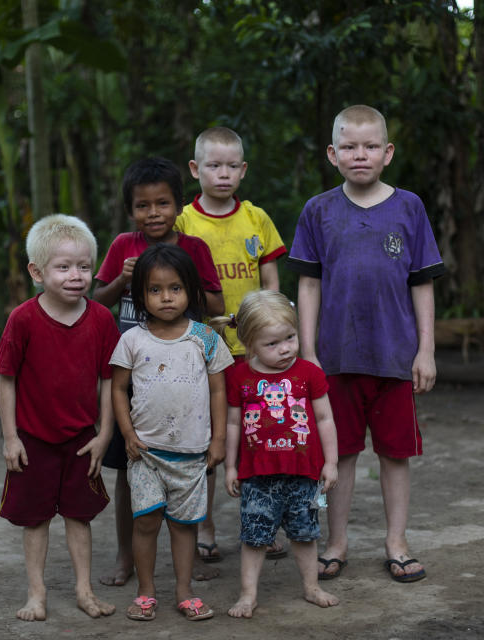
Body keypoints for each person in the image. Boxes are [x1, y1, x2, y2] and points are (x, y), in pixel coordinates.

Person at [286, 105, 446, 583]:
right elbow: (309, 286)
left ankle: (396, 542)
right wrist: (308, 352)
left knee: (395, 452)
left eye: (370, 146)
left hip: (396, 357)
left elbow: (422, 283)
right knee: (340, 453)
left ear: (387, 153)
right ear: (333, 154)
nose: (361, 155)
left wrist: (426, 349)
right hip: (335, 357)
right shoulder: (318, 210)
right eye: (350, 147)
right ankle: (336, 543)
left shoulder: (410, 207)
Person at [93, 157, 224, 587]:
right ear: (130, 209)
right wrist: (124, 282)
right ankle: (124, 554)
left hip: (185, 381)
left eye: (163, 204)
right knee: (130, 472)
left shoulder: (195, 249)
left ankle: (193, 557)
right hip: (132, 380)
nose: (154, 214)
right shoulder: (121, 247)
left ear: (178, 205)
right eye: (143, 205)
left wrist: (182, 283)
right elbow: (99, 301)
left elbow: (217, 306)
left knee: (192, 469)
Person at [0, 214, 119, 622]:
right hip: (33, 439)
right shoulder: (23, 319)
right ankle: (37, 594)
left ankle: (84, 591)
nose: (75, 276)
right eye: (63, 267)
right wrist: (11, 437)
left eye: (84, 266)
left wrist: (104, 435)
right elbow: (6, 380)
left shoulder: (101, 319)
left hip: (82, 438)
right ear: (37, 271)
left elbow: (108, 380)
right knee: (35, 520)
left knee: (79, 516)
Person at [175, 125, 288, 562]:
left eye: (231, 166)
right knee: (206, 439)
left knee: (259, 437)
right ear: (195, 169)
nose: (222, 174)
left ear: (243, 170)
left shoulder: (256, 218)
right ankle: (204, 526)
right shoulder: (184, 221)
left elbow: (272, 279)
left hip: (254, 350)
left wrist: (274, 329)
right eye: (212, 165)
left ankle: (262, 522)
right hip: (204, 349)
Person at [110, 244, 234, 622]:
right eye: (155, 290)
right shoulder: (133, 339)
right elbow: (117, 389)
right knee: (146, 521)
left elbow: (218, 390)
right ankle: (146, 592)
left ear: (191, 291)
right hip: (146, 453)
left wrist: (218, 439)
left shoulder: (205, 338)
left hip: (192, 454)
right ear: (140, 295)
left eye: (175, 288)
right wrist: (128, 435)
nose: (165, 297)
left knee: (184, 526)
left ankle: (184, 591)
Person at [215, 290, 340, 618]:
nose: (285, 348)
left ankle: (311, 587)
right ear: (249, 344)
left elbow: (325, 418)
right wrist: (230, 466)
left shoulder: (309, 374)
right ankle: (248, 595)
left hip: (304, 473)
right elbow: (232, 424)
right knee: (254, 537)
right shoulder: (239, 377)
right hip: (257, 477)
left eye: (290, 337)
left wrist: (331, 462)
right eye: (273, 344)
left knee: (305, 533)